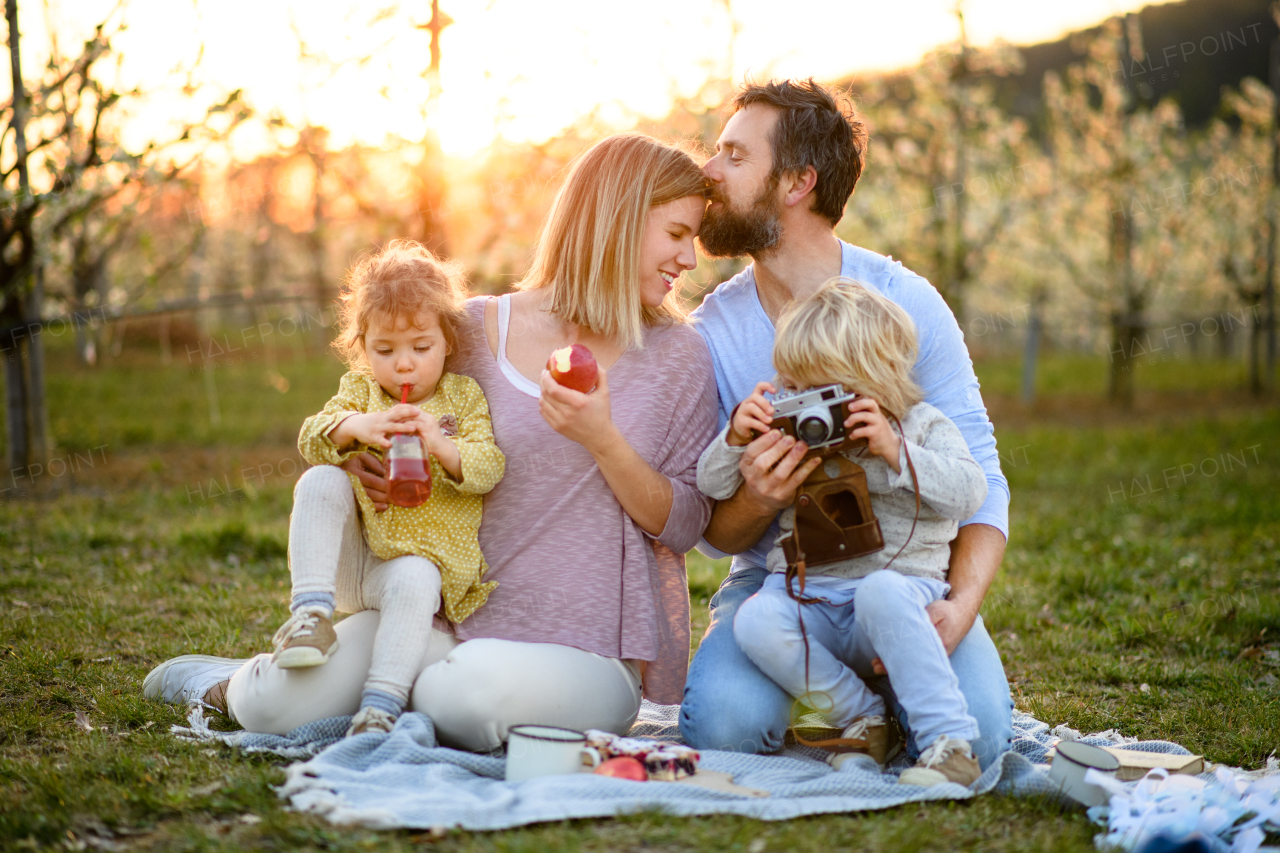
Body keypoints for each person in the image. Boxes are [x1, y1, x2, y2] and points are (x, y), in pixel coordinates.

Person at [143, 133, 719, 752]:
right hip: (441, 617)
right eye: (677, 233)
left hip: (586, 649)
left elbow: (684, 524)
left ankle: (396, 695)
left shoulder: (677, 356)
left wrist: (602, 439)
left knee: (463, 697)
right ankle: (226, 683)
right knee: (277, 706)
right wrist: (367, 457)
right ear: (619, 219)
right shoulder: (472, 329)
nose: (690, 258)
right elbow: (374, 407)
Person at [680, 78, 1015, 770]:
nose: (707, 172)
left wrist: (958, 605)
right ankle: (861, 706)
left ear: (798, 181)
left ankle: (893, 682)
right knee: (725, 726)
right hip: (786, 583)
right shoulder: (712, 329)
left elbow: (981, 477)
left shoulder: (904, 302)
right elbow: (716, 534)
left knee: (980, 732)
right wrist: (761, 495)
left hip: (903, 569)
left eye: (735, 156)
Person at [699, 278, 988, 786]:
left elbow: (970, 492)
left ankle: (949, 744)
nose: (807, 405)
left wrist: (895, 452)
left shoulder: (919, 427)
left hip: (897, 601)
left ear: (874, 383)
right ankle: (863, 716)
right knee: (757, 618)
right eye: (792, 386)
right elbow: (710, 483)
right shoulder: (796, 434)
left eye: (823, 393)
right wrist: (736, 438)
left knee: (880, 591)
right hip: (811, 601)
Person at [273, 241, 504, 737]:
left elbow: (488, 468)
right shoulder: (361, 392)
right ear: (362, 347)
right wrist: (359, 426)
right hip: (356, 565)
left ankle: (380, 706)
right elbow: (311, 436)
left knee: (418, 576)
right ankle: (310, 615)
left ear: (446, 341)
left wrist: (440, 444)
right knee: (322, 476)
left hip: (408, 577)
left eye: (421, 348)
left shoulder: (462, 398)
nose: (404, 365)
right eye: (384, 350)